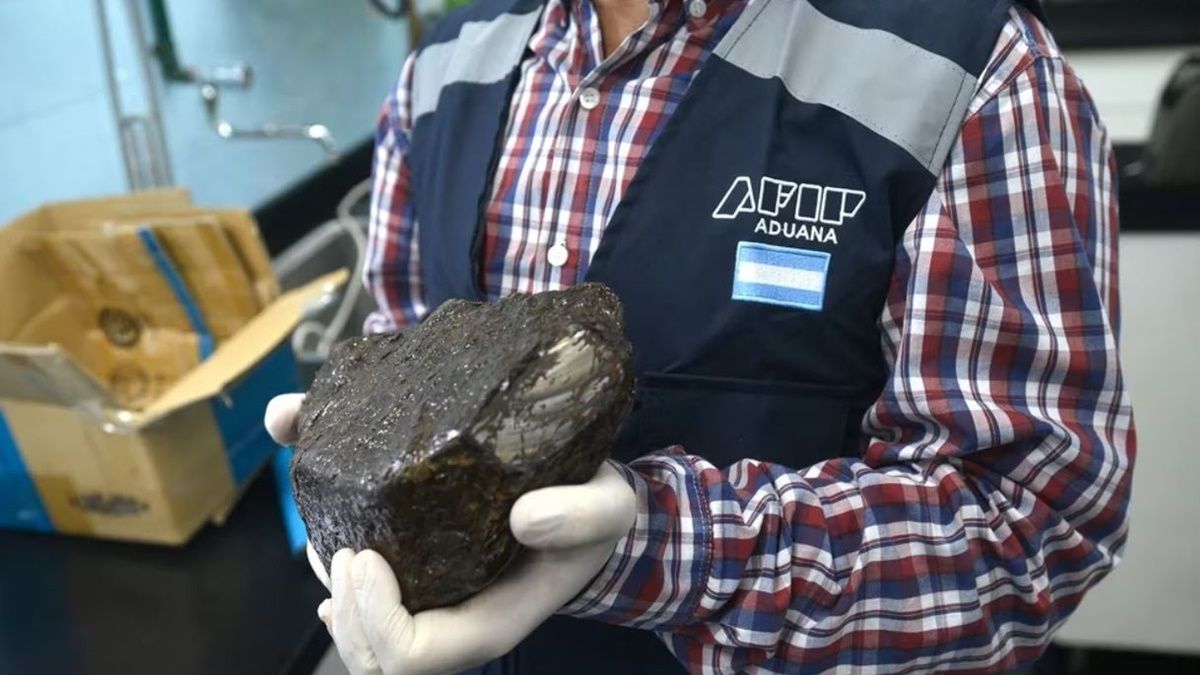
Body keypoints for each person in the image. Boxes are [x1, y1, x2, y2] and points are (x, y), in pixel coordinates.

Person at [264, 0, 1135, 671]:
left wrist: (657, 546)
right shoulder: (441, 71)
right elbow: (396, 360)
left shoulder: (971, 72)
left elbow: (1029, 531)